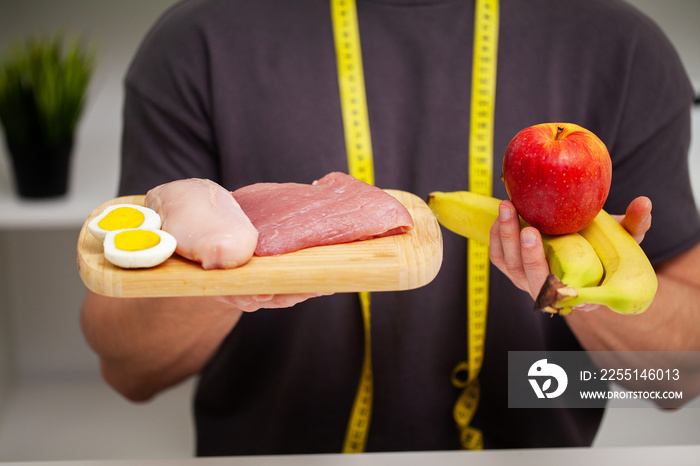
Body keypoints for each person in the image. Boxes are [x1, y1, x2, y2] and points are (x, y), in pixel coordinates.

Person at [80, 0, 700, 456]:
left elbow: (681, 375)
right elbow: (128, 369)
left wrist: (577, 291)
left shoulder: (621, 48)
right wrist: (224, 278)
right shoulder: (197, 41)